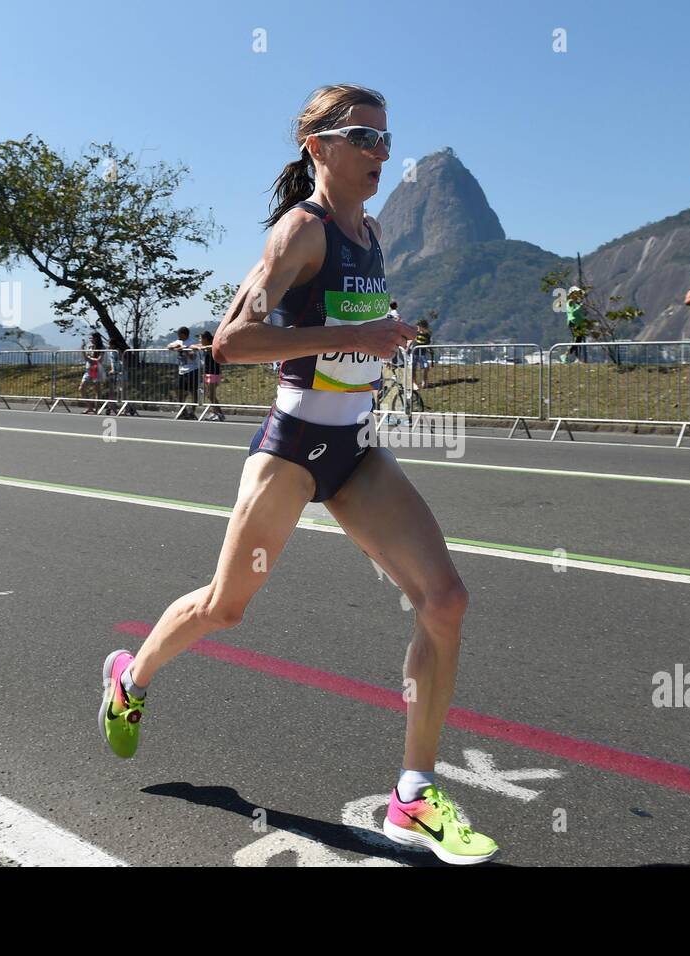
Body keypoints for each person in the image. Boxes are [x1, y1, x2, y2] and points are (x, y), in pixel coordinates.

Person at [96, 84, 498, 865]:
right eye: (364, 138)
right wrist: (357, 334)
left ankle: (412, 798)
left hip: (353, 452)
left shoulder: (371, 232)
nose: (382, 153)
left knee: (445, 599)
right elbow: (231, 342)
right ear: (319, 146)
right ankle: (131, 677)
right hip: (290, 451)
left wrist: (380, 337)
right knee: (225, 608)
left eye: (387, 139)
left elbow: (351, 335)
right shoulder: (302, 230)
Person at [167, 326, 200, 417]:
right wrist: (174, 346)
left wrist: (185, 350)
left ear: (184, 334)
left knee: (193, 392)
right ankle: (183, 410)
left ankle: (192, 411)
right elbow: (168, 346)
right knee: (179, 391)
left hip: (192, 370)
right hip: (181, 371)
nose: (178, 336)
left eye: (179, 334)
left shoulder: (192, 342)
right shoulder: (178, 341)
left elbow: (193, 357)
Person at [199, 329, 224, 421]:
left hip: (213, 373)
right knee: (209, 394)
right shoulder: (205, 347)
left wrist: (203, 348)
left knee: (211, 394)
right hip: (207, 373)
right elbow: (195, 346)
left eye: (201, 339)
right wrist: (199, 347)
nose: (200, 341)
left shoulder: (213, 346)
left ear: (206, 339)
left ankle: (219, 413)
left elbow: (213, 347)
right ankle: (215, 412)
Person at [79, 331, 106, 413]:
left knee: (97, 389)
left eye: (92, 338)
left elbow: (99, 360)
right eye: (90, 338)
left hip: (96, 369)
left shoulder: (101, 347)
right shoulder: (90, 347)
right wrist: (83, 349)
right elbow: (86, 358)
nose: (90, 339)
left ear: (96, 338)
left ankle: (97, 409)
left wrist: (90, 358)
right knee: (81, 388)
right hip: (88, 370)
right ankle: (90, 407)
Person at [566, 286, 588, 362]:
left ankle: (575, 356)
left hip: (580, 323)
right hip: (573, 323)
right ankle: (570, 355)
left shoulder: (577, 303)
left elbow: (583, 313)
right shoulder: (570, 302)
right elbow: (573, 312)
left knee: (579, 340)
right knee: (576, 340)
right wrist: (580, 307)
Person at [412, 317, 432, 389]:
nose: (417, 327)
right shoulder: (415, 333)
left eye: (418, 326)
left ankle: (424, 380)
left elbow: (428, 343)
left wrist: (430, 350)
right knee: (413, 368)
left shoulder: (427, 335)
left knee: (426, 367)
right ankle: (414, 383)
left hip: (423, 353)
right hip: (415, 352)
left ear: (422, 326)